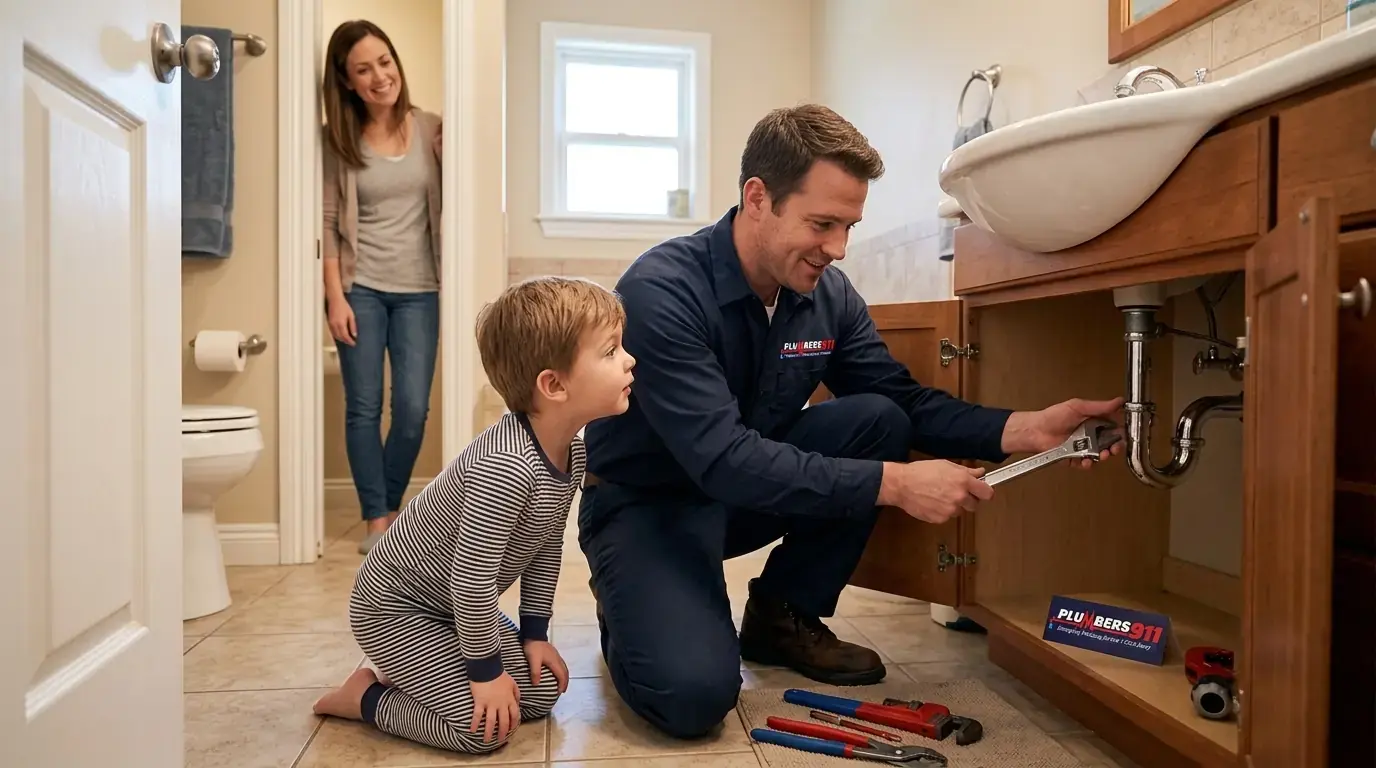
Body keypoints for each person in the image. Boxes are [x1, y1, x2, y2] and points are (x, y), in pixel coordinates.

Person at [577, 103, 1125, 739]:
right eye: (822, 224)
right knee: (694, 695)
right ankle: (630, 598)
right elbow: (723, 458)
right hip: (650, 506)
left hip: (740, 496)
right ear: (758, 198)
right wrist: (895, 484)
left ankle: (784, 614)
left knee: (877, 419)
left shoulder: (826, 296)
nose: (837, 249)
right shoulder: (663, 292)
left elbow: (903, 401)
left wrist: (1027, 429)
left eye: (848, 227)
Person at [312, 276, 637, 753]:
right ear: (554, 385)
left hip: (452, 610)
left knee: (542, 690)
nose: (629, 359)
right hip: (395, 610)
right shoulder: (507, 467)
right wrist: (484, 673)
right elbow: (471, 581)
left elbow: (545, 547)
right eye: (610, 351)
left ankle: (428, 670)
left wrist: (534, 635)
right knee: (483, 729)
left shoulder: (572, 453)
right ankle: (365, 697)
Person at [321, 19, 446, 554]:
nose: (379, 77)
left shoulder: (433, 127)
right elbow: (328, 223)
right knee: (363, 408)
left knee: (413, 410)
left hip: (421, 288)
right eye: (363, 69)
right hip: (361, 288)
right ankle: (377, 519)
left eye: (384, 62)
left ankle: (390, 507)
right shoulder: (337, 140)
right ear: (347, 81)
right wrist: (335, 297)